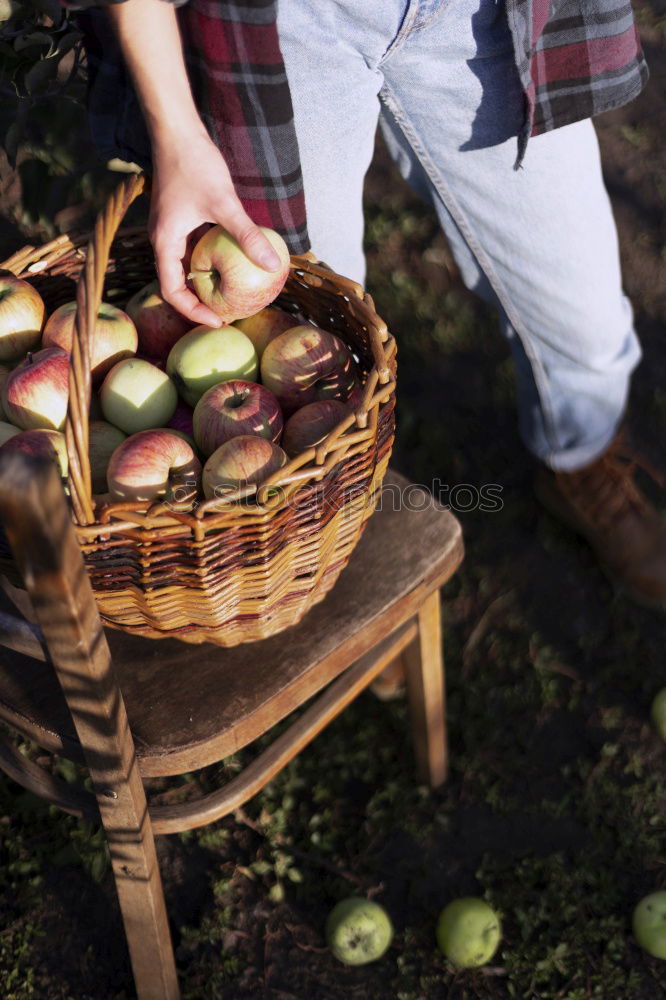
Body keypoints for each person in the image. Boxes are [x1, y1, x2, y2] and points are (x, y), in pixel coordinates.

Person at [68, 0, 666, 606]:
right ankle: (338, 546)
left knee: (584, 315)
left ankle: (581, 460)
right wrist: (177, 135)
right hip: (278, 32)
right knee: (316, 356)